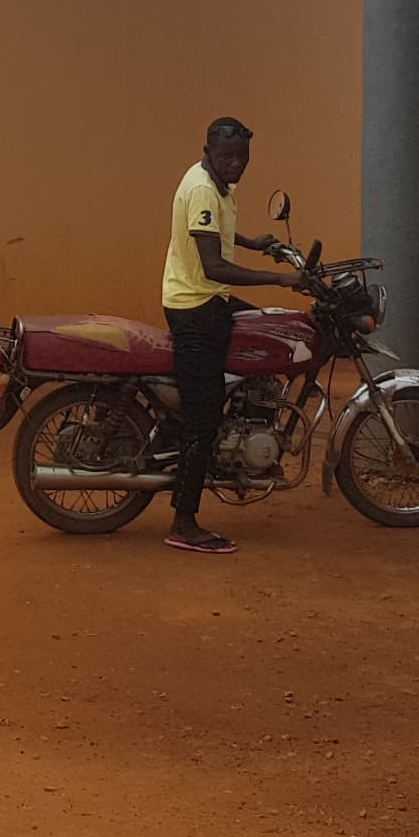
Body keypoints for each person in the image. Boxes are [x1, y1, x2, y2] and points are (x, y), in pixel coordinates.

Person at [158, 116, 301, 556]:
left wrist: (255, 242)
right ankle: (184, 522)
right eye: (227, 157)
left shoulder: (216, 185)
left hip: (209, 300)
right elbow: (212, 265)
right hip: (196, 308)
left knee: (269, 329)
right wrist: (277, 279)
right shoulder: (203, 187)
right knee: (204, 418)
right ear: (209, 151)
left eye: (242, 158)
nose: (236, 165)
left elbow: (212, 231)